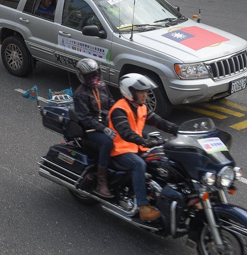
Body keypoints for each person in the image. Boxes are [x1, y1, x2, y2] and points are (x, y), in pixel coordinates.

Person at [109, 73, 180, 221]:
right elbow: (125, 132)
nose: (145, 95)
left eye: (146, 91)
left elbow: (159, 122)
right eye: (141, 91)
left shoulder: (141, 108)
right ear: (130, 92)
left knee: (162, 160)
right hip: (121, 150)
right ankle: (143, 207)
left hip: (137, 148)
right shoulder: (119, 110)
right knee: (138, 164)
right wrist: (143, 141)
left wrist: (178, 130)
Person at [73, 59, 116, 198]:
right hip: (91, 130)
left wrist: (121, 116)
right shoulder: (80, 94)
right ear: (82, 76)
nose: (94, 78)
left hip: (107, 124)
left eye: (96, 74)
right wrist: (103, 129)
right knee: (107, 142)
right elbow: (85, 119)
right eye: (90, 76)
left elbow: (112, 103)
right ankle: (101, 182)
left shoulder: (103, 86)